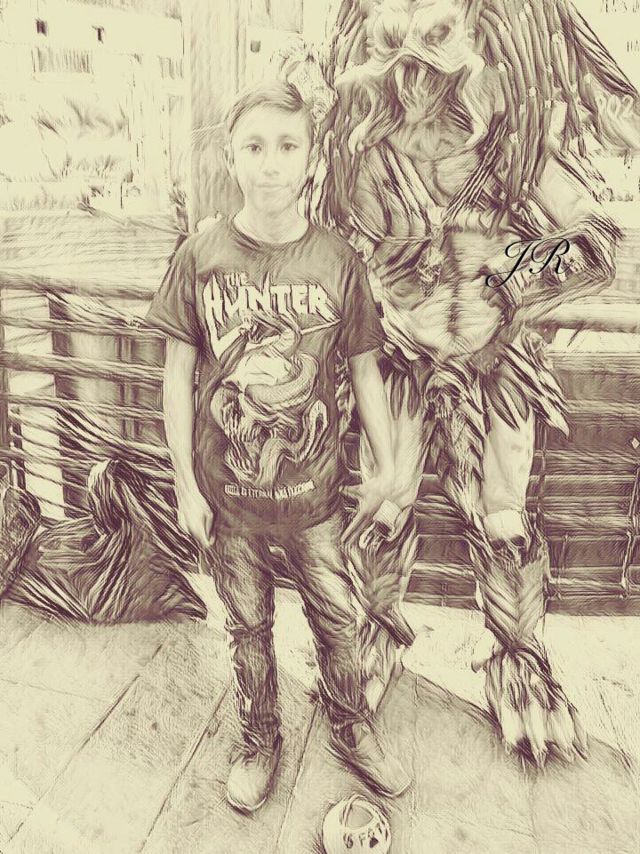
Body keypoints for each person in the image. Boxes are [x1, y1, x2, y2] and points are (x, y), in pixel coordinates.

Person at [145, 80, 411, 812]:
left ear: (311, 158)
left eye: (287, 146)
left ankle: (351, 728)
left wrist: (389, 468)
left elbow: (365, 371)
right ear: (231, 157)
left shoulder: (338, 261)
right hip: (228, 502)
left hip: (316, 502)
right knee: (247, 628)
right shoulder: (200, 256)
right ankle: (260, 736)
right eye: (254, 147)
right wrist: (186, 486)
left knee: (339, 621)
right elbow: (176, 377)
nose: (270, 164)